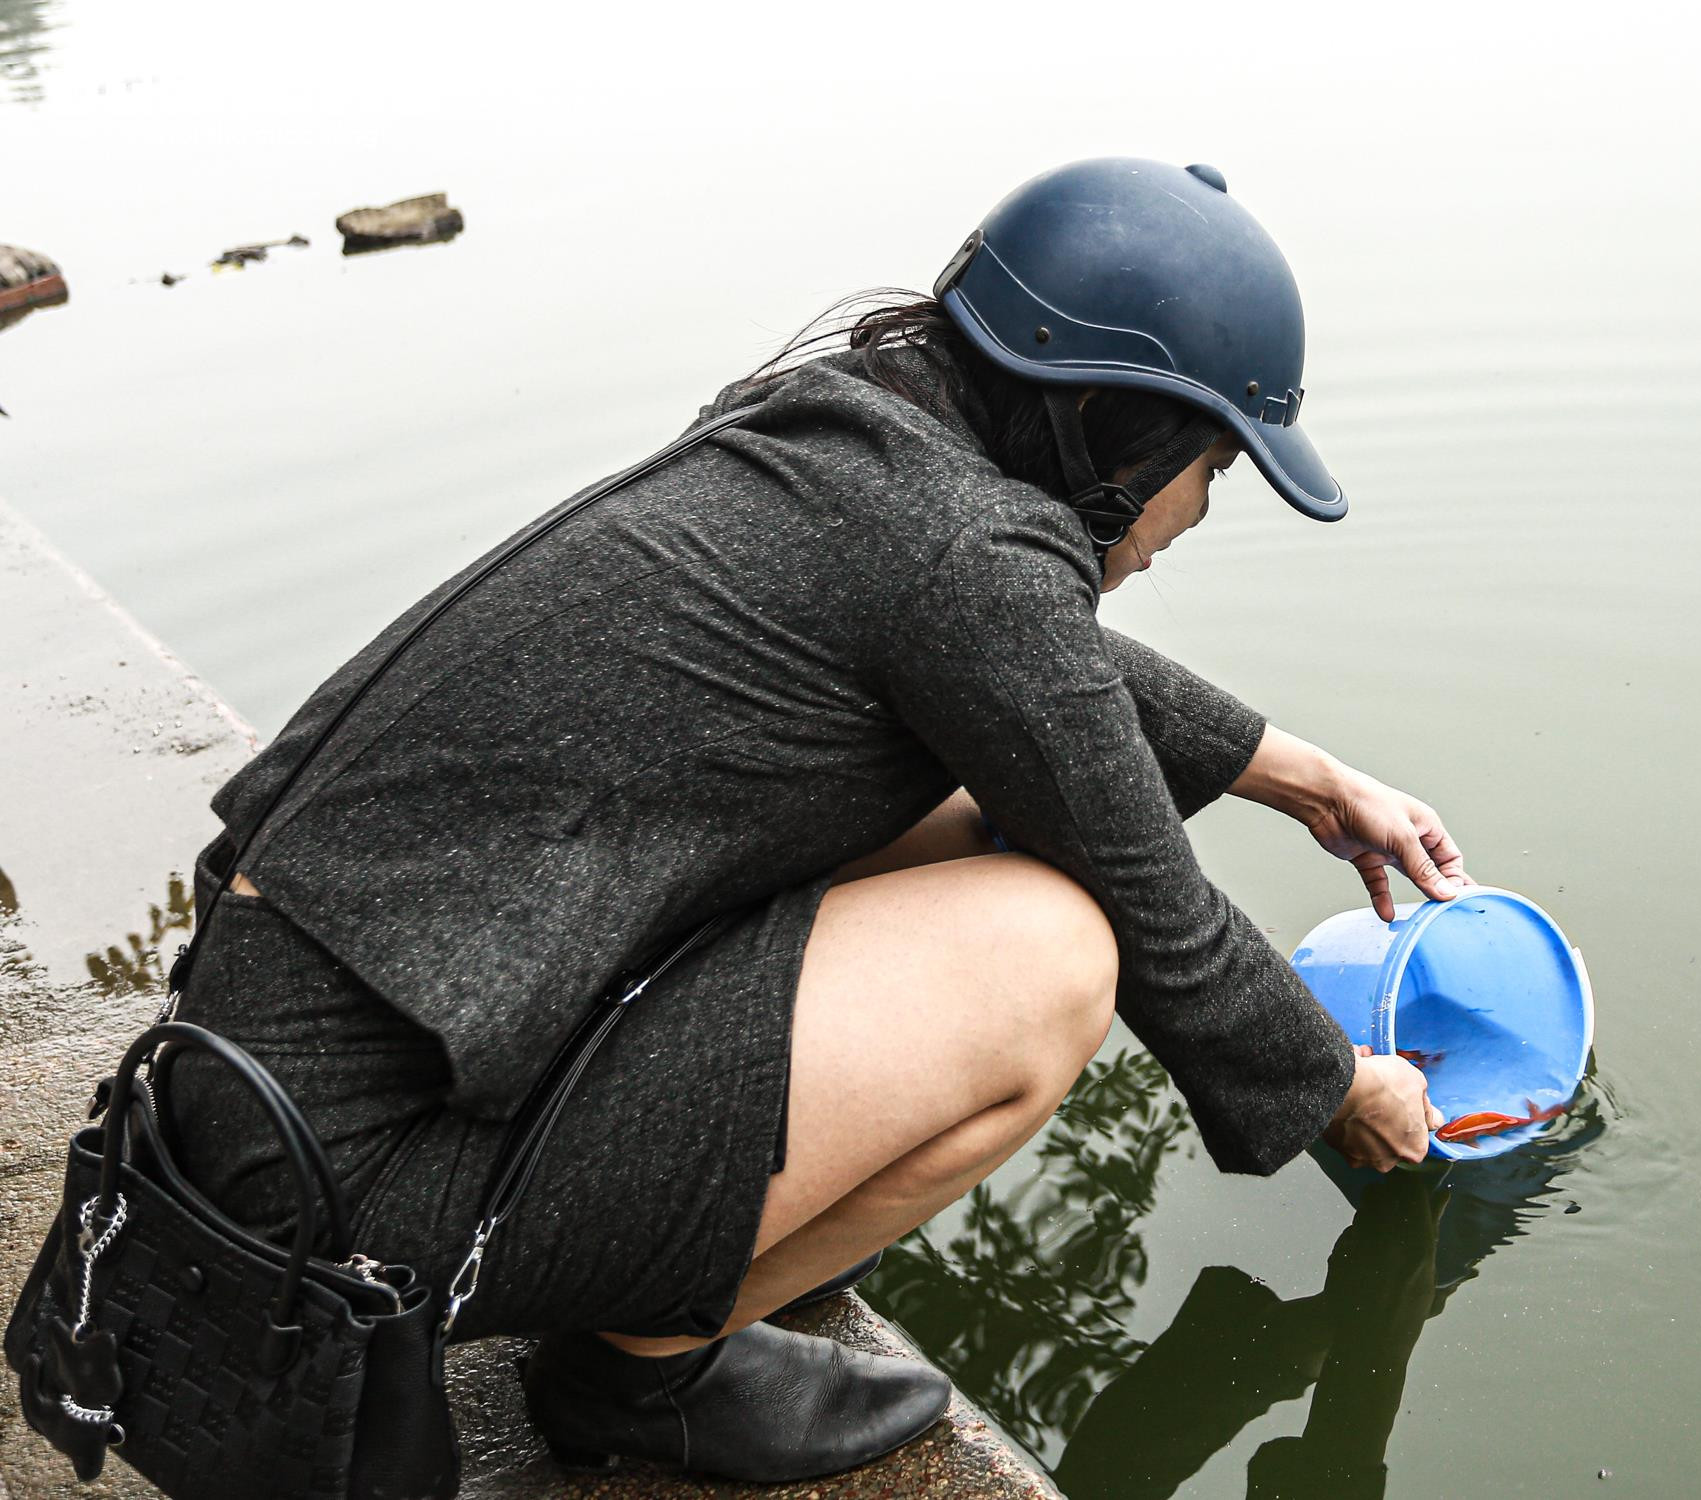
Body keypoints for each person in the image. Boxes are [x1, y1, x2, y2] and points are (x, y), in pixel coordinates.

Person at [165, 157, 1464, 1484]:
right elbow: (1160, 920)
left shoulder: (854, 432)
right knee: (1059, 957)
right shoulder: (964, 552)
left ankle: (659, 1266)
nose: (1195, 515)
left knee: (967, 809)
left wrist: (1300, 774)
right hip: (330, 1199)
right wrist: (1347, 1088)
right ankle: (641, 1371)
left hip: (249, 1083)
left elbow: (1030, 676)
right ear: (1126, 435)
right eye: (1212, 469)